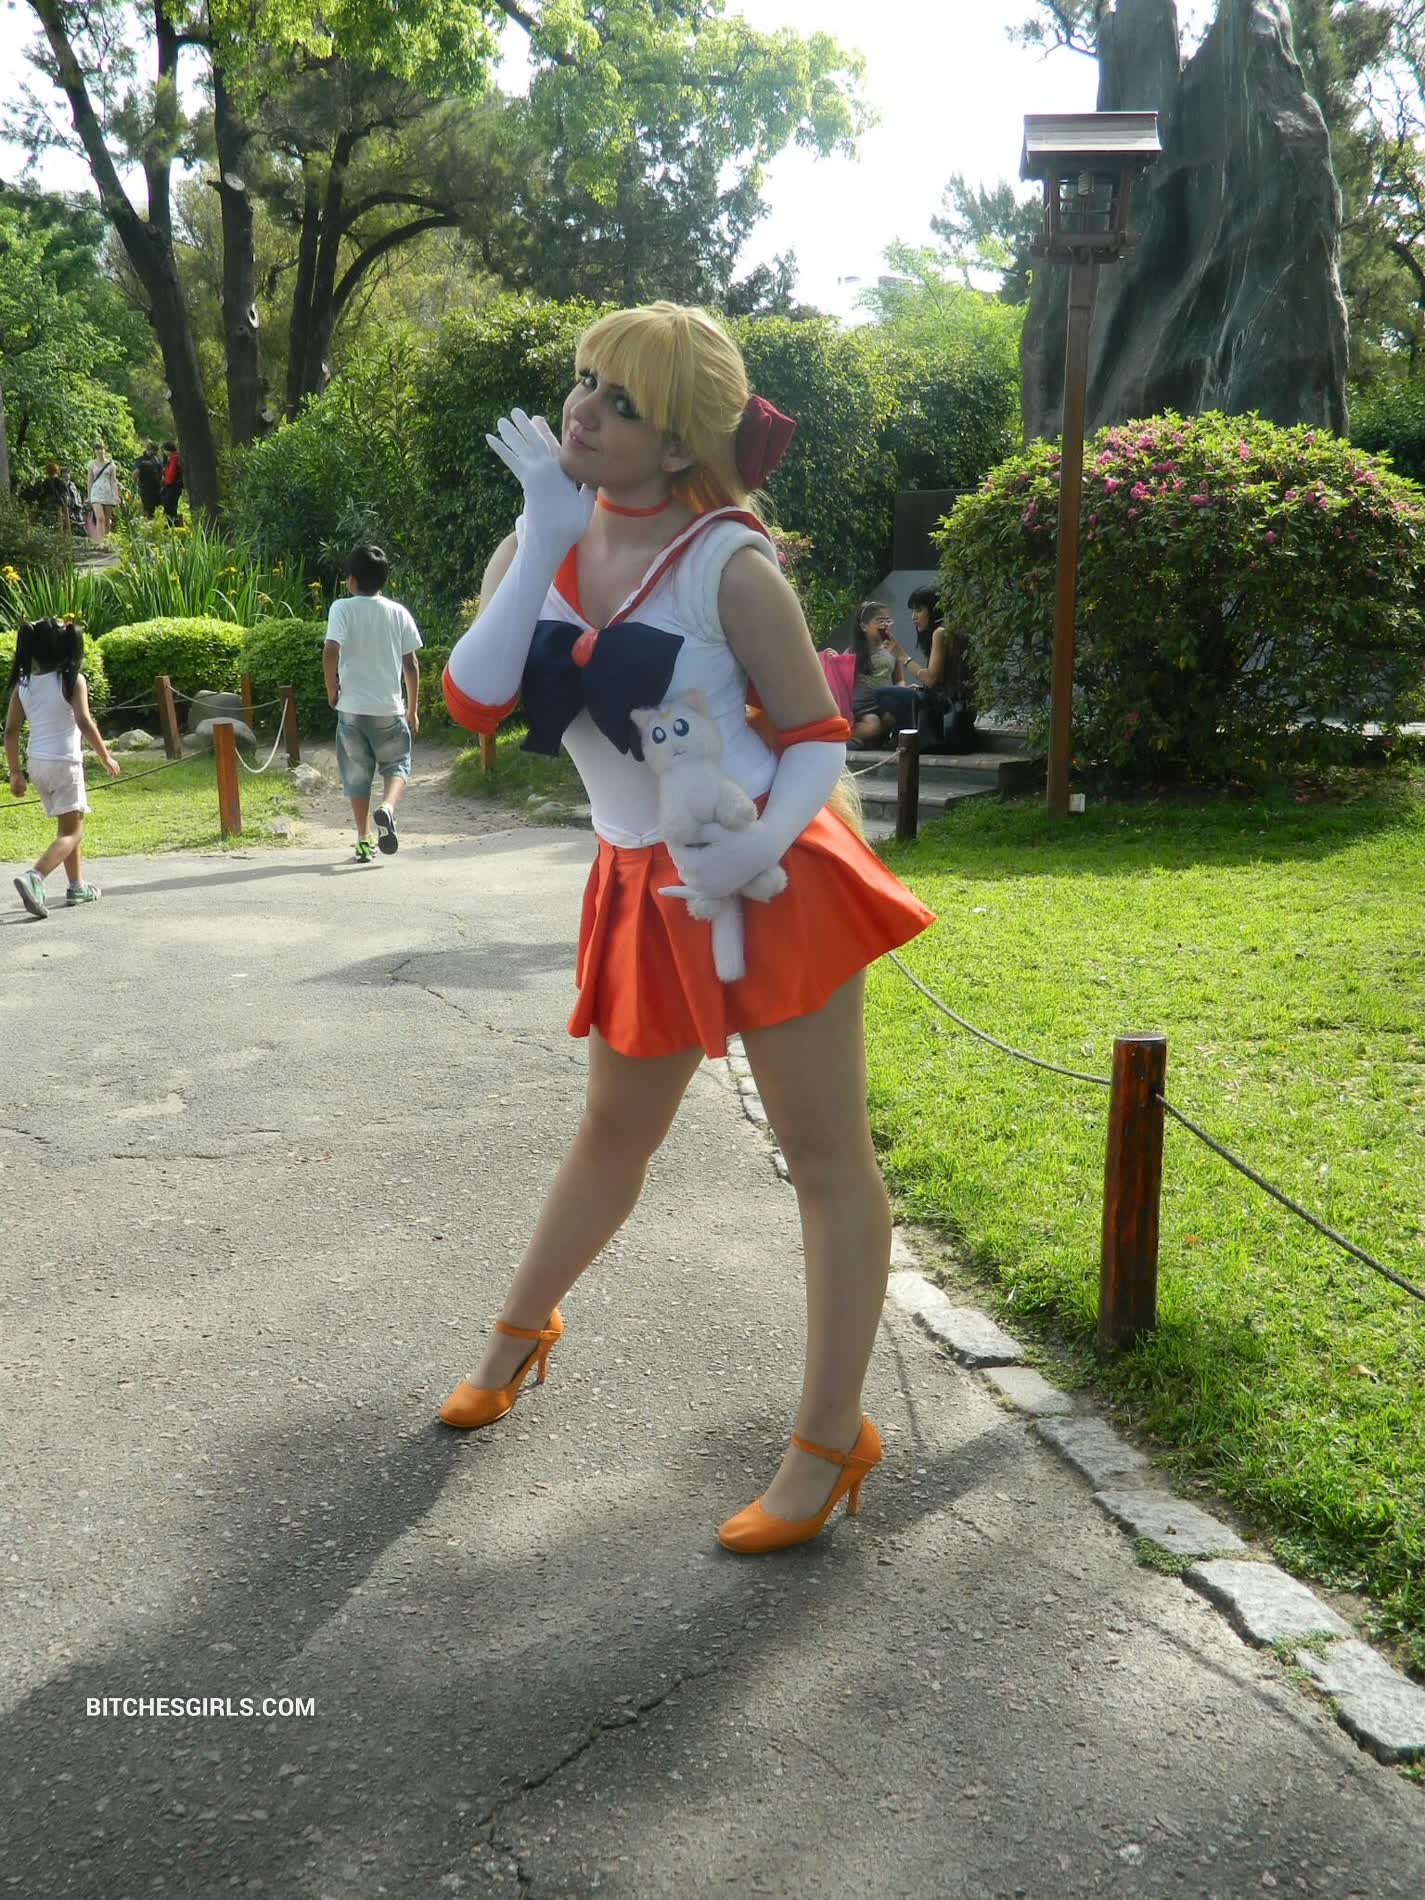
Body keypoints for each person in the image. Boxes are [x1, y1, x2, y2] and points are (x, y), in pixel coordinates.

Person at [438, 301, 935, 1555]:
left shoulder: (729, 563)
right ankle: (514, 1340)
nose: (583, 411)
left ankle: (829, 1441)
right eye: (584, 382)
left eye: (622, 402)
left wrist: (760, 847)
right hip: (635, 883)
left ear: (678, 445)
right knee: (614, 1130)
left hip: (769, 876)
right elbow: (473, 703)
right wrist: (542, 536)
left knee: (824, 1156)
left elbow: (815, 737)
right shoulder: (540, 531)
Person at [5, 617, 121, 917]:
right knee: (74, 832)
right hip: (65, 763)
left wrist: (15, 773)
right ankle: (35, 877)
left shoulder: (23, 685)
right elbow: (84, 721)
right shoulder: (72, 680)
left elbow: (11, 731)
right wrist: (106, 756)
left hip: (38, 764)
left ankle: (77, 886)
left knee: (67, 826)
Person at [322, 543, 422, 864]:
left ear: (351, 580)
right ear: (383, 580)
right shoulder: (397, 612)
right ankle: (387, 808)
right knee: (397, 766)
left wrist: (332, 688)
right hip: (388, 709)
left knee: (356, 776)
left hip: (351, 708)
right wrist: (413, 709)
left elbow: (330, 650)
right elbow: (411, 664)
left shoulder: (341, 608)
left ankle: (363, 841)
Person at [887, 587, 979, 753]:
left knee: (885, 694)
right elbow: (945, 679)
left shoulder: (940, 633)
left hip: (950, 718)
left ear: (933, 609)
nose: (913, 617)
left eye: (919, 610)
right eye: (912, 611)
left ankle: (897, 740)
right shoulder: (950, 629)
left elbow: (930, 679)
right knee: (909, 692)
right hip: (962, 713)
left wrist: (901, 655)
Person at [847, 599, 903, 749]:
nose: (885, 624)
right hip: (862, 708)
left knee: (891, 717)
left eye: (887, 620)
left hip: (883, 703)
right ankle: (841, 736)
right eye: (880, 621)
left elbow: (899, 679)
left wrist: (902, 690)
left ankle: (868, 741)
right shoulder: (853, 652)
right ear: (864, 626)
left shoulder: (893, 648)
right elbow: (841, 679)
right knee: (873, 725)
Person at [87, 443, 119, 541]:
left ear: (105, 450)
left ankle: (107, 540)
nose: (99, 451)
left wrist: (116, 495)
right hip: (96, 493)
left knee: (107, 519)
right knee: (100, 518)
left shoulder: (111, 465)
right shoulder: (91, 464)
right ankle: (99, 541)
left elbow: (113, 481)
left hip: (108, 492)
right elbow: (90, 481)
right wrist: (89, 496)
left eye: (101, 449)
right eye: (97, 449)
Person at [134, 444, 165, 519]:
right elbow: (135, 474)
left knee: (158, 510)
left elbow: (162, 473)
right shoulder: (141, 460)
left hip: (157, 489)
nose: (154, 454)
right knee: (148, 511)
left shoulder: (157, 460)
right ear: (148, 450)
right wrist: (138, 484)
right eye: (153, 452)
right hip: (147, 489)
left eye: (156, 452)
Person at [41, 462, 71, 536]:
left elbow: (44, 494)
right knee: (64, 521)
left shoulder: (45, 482)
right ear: (57, 471)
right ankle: (66, 535)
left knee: (51, 521)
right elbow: (66, 494)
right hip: (62, 504)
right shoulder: (61, 481)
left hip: (50, 504)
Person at [159, 442, 183, 524]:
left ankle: (173, 525)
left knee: (170, 508)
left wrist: (165, 481)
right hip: (175, 486)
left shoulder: (174, 459)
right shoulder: (174, 458)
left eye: (164, 450)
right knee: (172, 508)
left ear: (167, 450)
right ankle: (175, 525)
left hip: (172, 486)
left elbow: (171, 475)